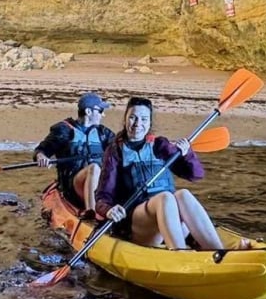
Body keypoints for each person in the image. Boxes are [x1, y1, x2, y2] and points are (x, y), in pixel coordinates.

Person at [94, 96, 226, 251]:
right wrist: (108, 210)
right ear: (125, 120)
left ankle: (220, 252)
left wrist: (187, 153)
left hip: (170, 221)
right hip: (139, 223)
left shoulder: (160, 145)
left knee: (183, 194)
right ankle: (179, 253)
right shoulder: (115, 151)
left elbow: (195, 175)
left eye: (144, 119)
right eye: (133, 118)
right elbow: (102, 196)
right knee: (165, 198)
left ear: (150, 123)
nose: (138, 124)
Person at [34, 91, 116, 213]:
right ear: (88, 112)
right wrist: (41, 157)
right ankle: (91, 212)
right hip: (73, 187)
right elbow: (41, 151)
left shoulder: (103, 133)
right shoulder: (64, 131)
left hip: (100, 185)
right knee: (94, 168)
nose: (103, 115)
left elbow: (121, 150)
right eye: (100, 111)